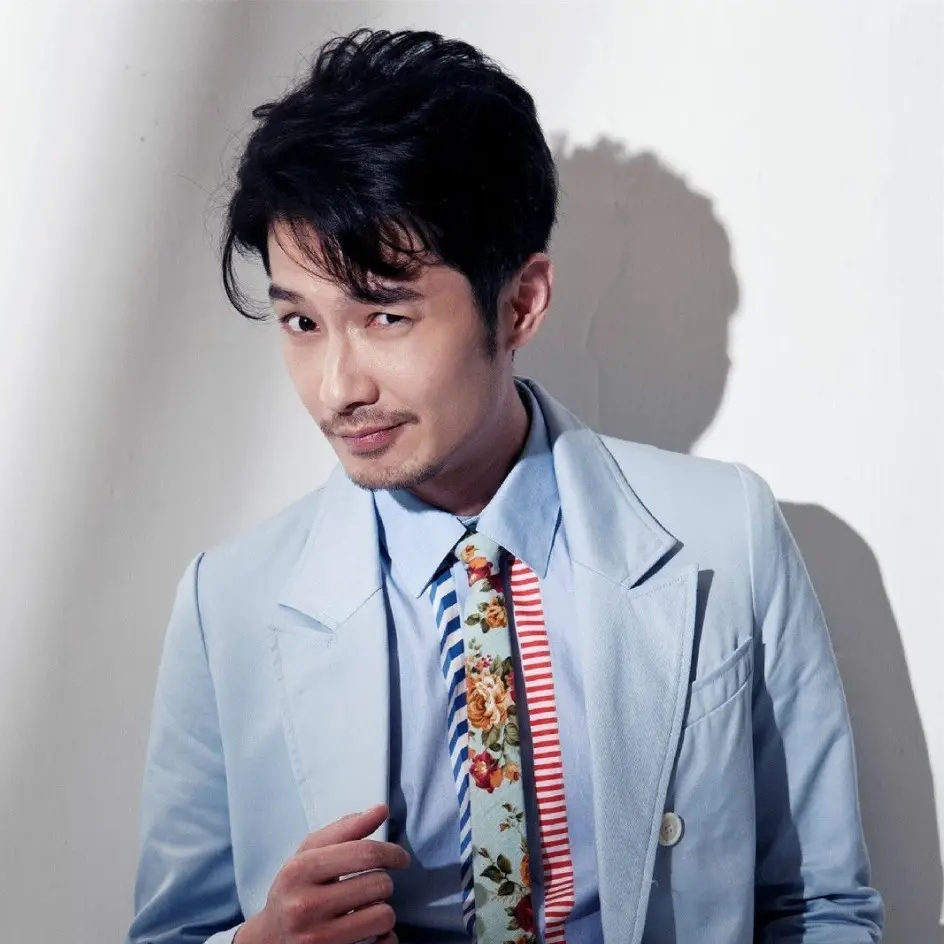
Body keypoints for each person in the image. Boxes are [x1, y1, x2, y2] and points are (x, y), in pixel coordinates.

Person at [126, 27, 884, 944]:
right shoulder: (229, 604)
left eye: (385, 315)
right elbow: (170, 932)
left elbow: (822, 908)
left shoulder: (729, 533)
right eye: (301, 323)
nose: (337, 388)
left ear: (521, 302)